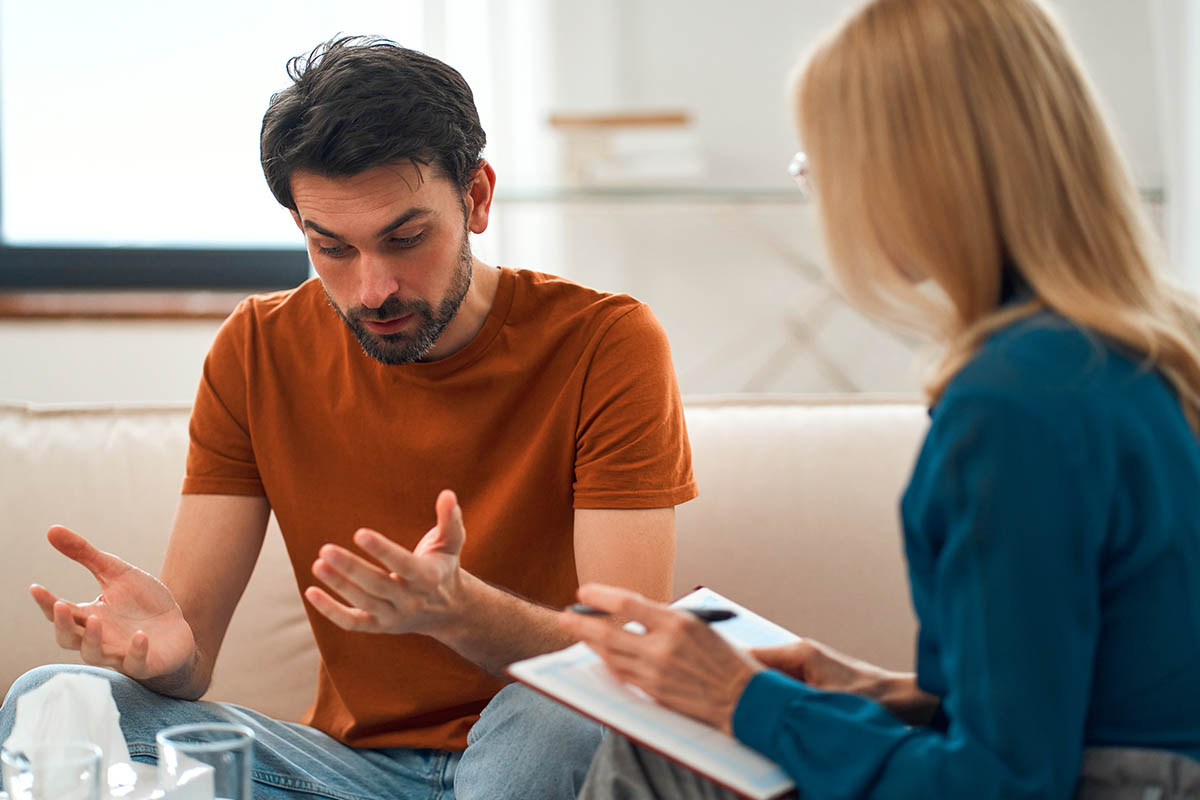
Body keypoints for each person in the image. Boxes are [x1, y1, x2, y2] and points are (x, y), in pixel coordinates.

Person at [0, 36, 697, 800]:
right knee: (50, 702)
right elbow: (191, 660)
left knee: (561, 714)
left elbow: (623, 658)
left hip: (534, 750)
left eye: (405, 239)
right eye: (330, 247)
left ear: (477, 198)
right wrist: (164, 655)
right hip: (347, 774)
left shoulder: (606, 342)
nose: (372, 289)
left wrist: (459, 612)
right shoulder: (256, 349)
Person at [561, 0, 1200, 797]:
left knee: (656, 751)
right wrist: (871, 689)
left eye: (821, 164)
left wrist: (741, 698)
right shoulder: (1146, 351)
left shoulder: (1015, 405)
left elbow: (1001, 783)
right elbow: (1085, 692)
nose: (823, 196)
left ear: (916, 173)